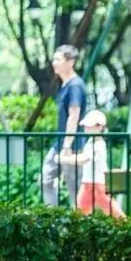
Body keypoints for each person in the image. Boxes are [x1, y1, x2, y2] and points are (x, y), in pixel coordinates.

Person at [55, 110, 125, 219]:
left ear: (100, 127)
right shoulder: (91, 141)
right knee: (79, 211)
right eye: (86, 125)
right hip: (88, 182)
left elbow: (83, 159)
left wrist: (63, 159)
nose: (86, 128)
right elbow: (83, 156)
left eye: (90, 125)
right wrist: (69, 156)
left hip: (98, 183)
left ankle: (125, 224)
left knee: (111, 210)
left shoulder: (99, 144)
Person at [41, 45, 87, 208]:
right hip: (59, 144)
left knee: (74, 189)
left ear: (70, 62)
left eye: (58, 59)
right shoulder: (65, 85)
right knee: (45, 179)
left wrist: (67, 145)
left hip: (72, 147)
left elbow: (74, 115)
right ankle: (52, 215)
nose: (54, 63)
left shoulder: (75, 85)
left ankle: (78, 220)